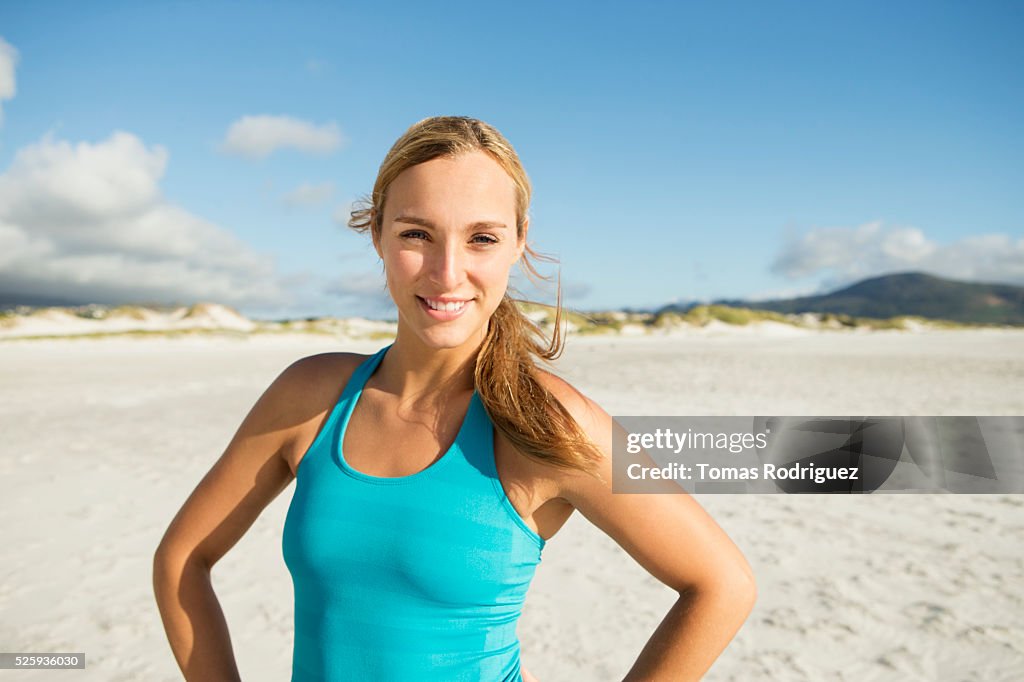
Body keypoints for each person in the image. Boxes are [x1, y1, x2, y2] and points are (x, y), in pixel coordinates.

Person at [153, 115, 757, 681]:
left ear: (518, 242)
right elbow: (182, 558)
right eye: (417, 233)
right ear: (378, 236)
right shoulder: (309, 396)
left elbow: (721, 583)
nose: (446, 272)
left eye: (481, 239)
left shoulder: (544, 422)